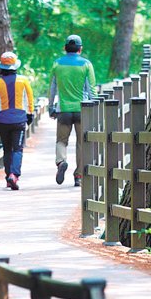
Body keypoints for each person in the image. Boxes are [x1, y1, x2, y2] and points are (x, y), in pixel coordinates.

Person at [49, 34, 96, 187]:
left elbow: (53, 88)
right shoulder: (86, 64)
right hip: (82, 109)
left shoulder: (57, 64)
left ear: (65, 48)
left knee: (61, 141)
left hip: (64, 110)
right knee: (82, 143)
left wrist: (51, 106)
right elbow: (91, 89)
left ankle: (61, 161)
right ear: (80, 49)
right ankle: (79, 175)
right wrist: (94, 107)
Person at [0, 52, 34, 190]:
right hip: (19, 119)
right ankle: (14, 175)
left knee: (7, 149)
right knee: (17, 148)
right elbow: (30, 98)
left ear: (1, 67)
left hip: (3, 120)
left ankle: (8, 178)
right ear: (15, 66)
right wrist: (30, 114)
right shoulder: (23, 80)